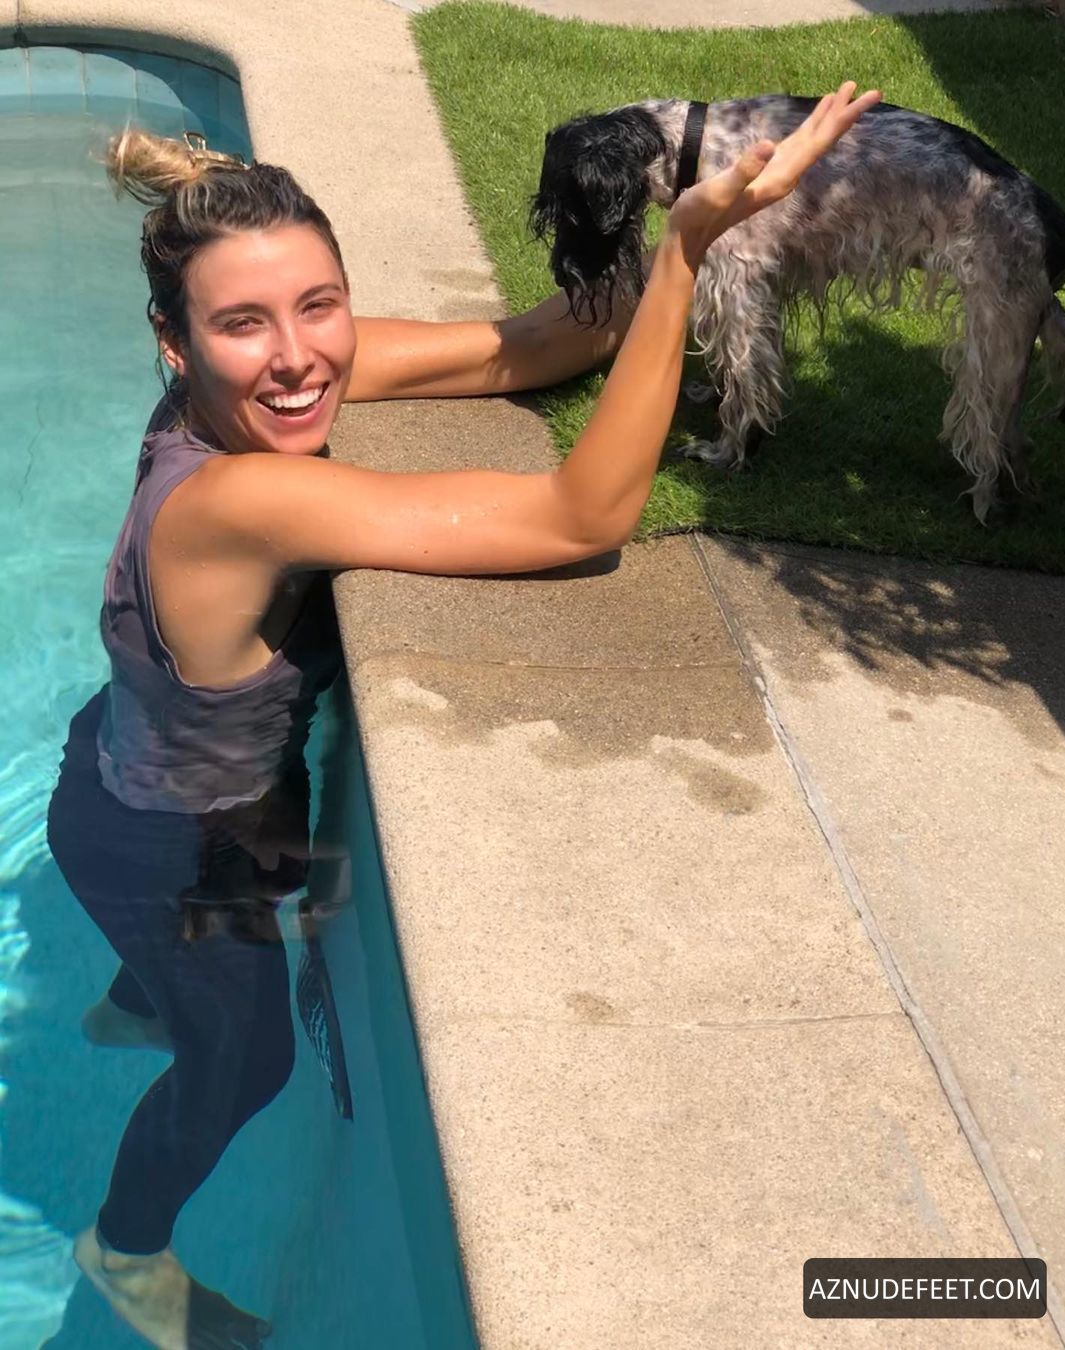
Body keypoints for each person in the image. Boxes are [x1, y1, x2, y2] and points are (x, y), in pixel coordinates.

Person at [45, 82, 880, 1350]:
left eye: (320, 305)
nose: (298, 356)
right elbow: (580, 516)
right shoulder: (239, 500)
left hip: (133, 772)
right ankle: (123, 1246)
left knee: (236, 929)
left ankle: (138, 999)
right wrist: (682, 257)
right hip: (168, 841)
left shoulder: (264, 385)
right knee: (250, 1059)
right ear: (175, 343)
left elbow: (521, 349)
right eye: (244, 323)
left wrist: (693, 198)